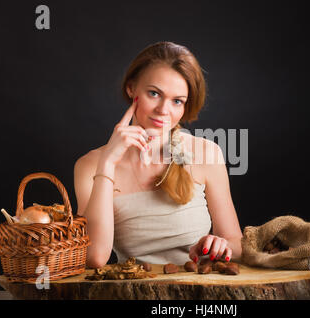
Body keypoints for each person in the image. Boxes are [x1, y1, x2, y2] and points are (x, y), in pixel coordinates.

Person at [74, 41, 242, 268]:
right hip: (132, 291)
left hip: (199, 291)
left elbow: (236, 243)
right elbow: (94, 257)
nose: (164, 110)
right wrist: (107, 165)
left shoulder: (207, 153)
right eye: (154, 93)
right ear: (131, 88)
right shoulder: (89, 165)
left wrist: (220, 246)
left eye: (177, 101)